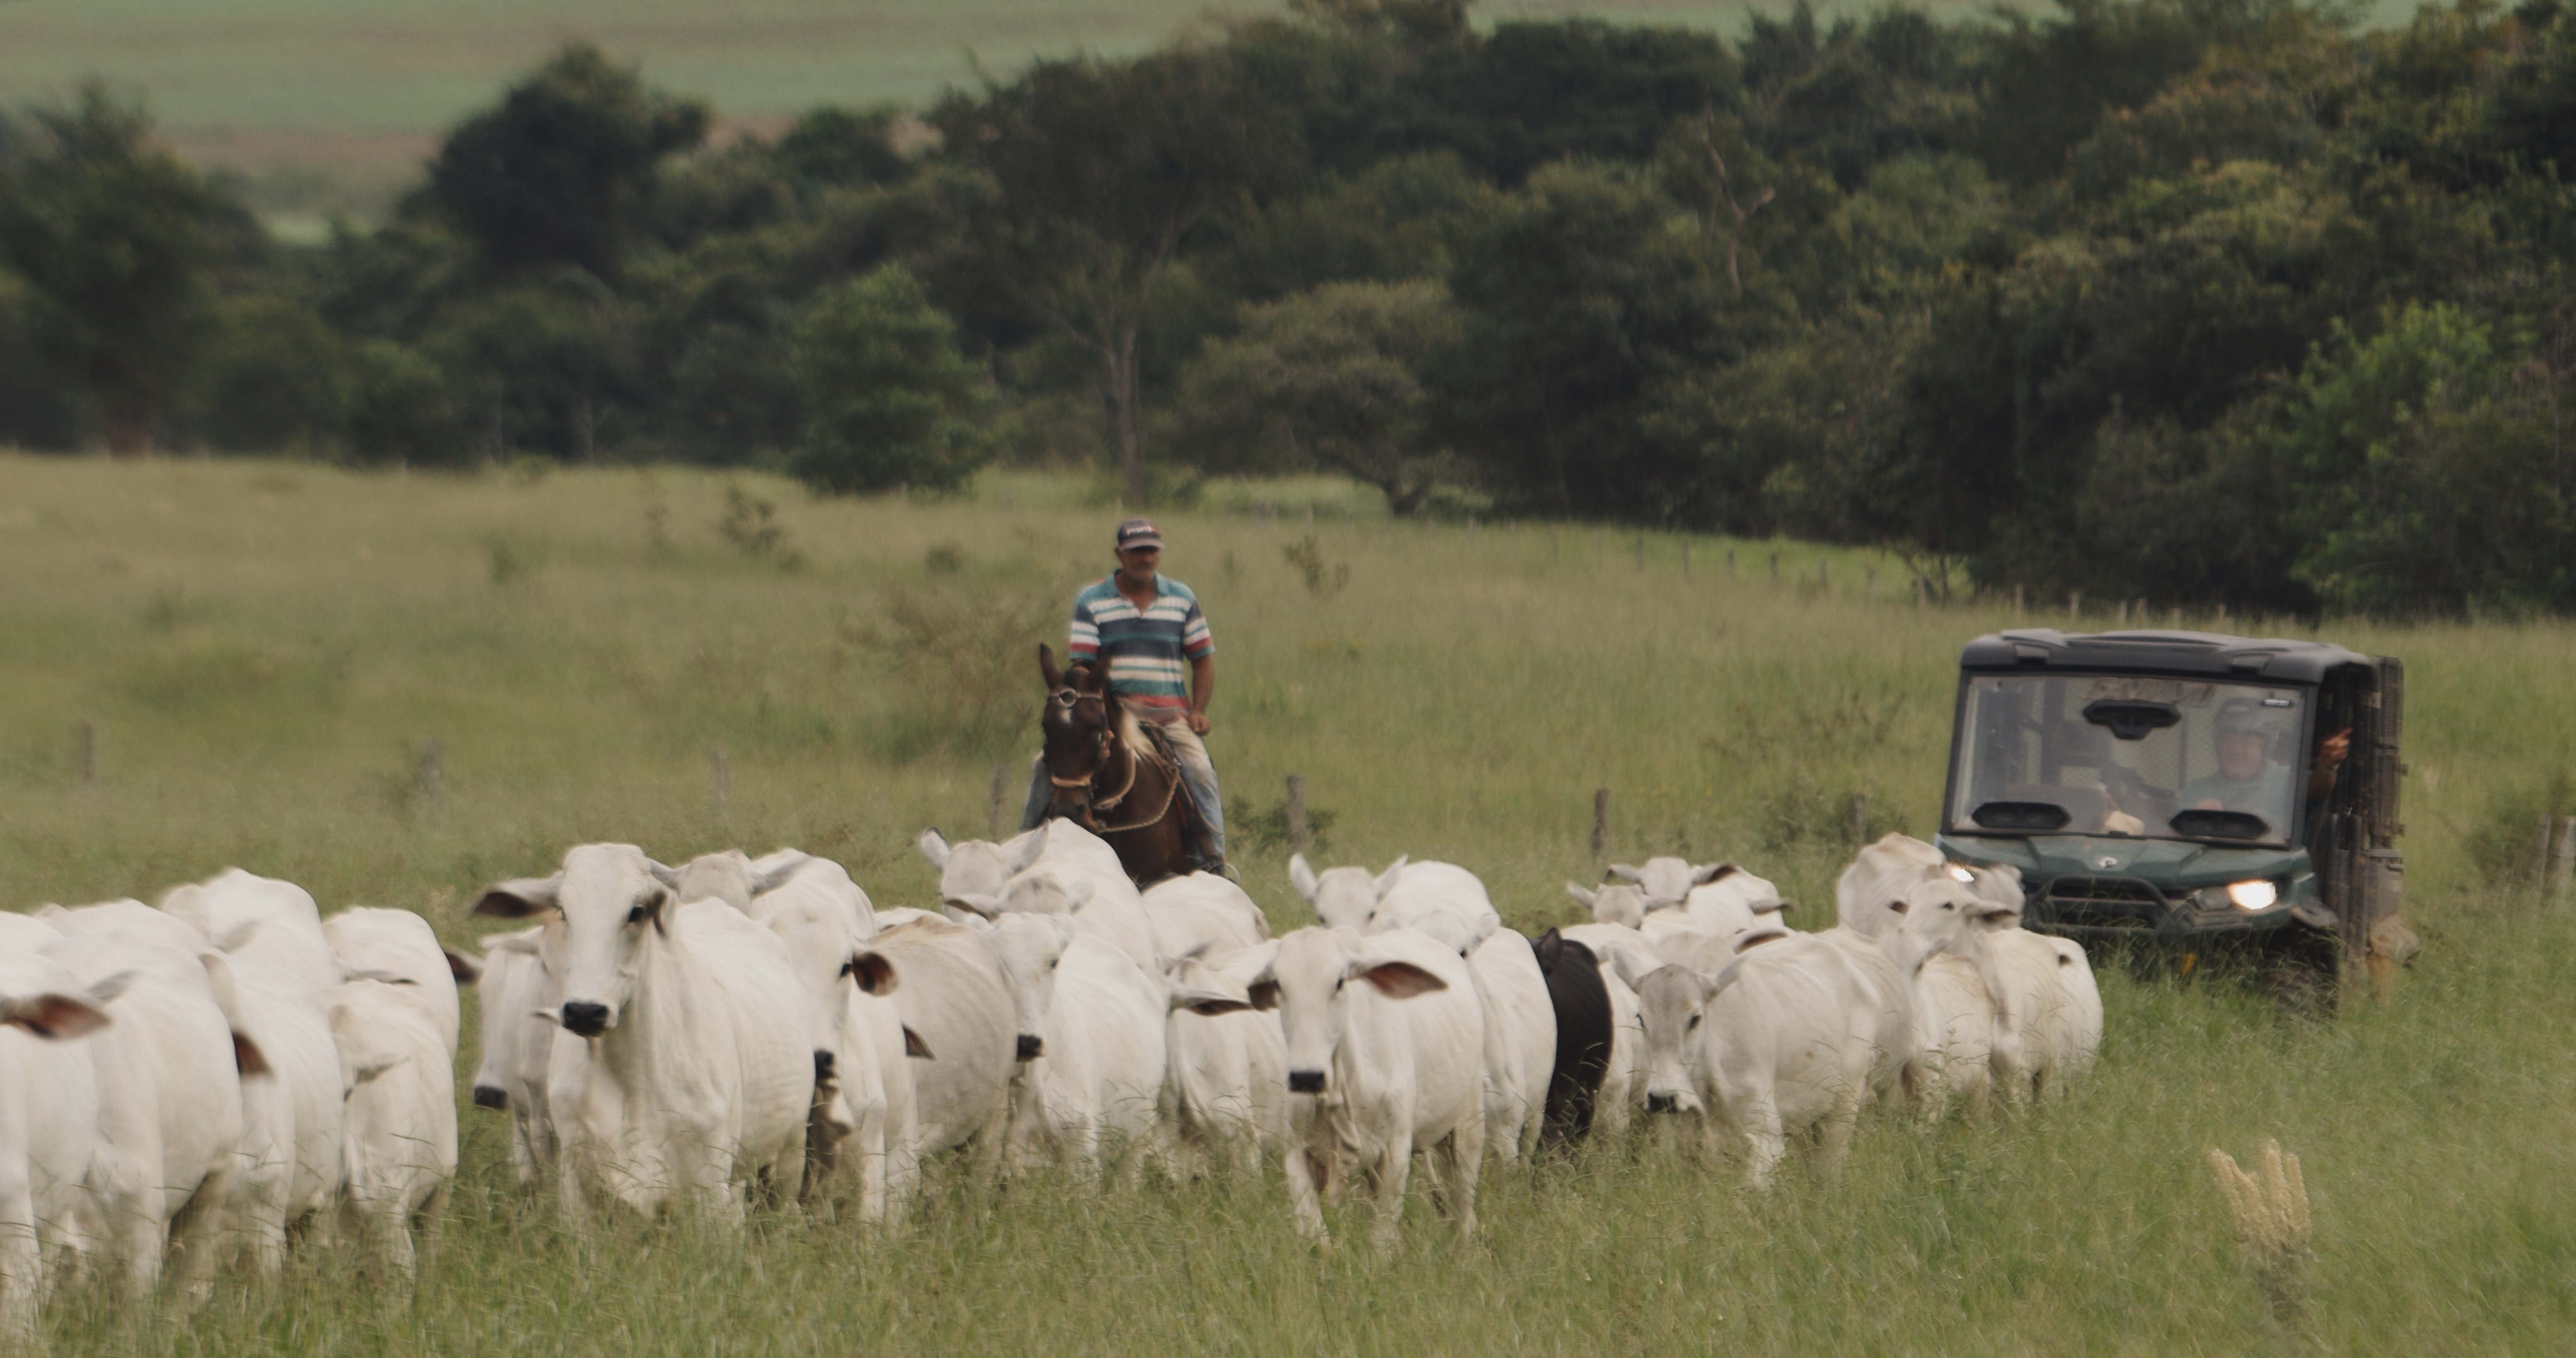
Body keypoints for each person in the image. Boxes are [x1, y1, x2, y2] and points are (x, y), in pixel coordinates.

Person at [1022, 517, 1230, 876]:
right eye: (1136, 552)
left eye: (1150, 551)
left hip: (1169, 718)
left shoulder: (1182, 598)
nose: (1144, 558)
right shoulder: (1092, 601)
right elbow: (1082, 668)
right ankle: (1024, 853)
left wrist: (1197, 711)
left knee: (1200, 771)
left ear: (1159, 554)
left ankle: (1213, 861)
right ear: (1120, 554)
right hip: (1112, 716)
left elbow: (1202, 659)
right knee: (1045, 767)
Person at [2177, 697, 2351, 822]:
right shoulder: (2196, 790)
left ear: (2265, 747)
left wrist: (2328, 765)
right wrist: (2195, 816)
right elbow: (2176, 840)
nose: (2236, 750)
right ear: (2218, 745)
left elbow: (2319, 792)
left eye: (2246, 742)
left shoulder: (2291, 781)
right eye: (2229, 741)